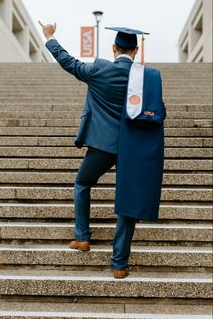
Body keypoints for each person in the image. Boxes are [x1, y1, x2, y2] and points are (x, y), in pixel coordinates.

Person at [39, 21, 165, 279]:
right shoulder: (147, 77)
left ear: (113, 48)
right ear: (135, 52)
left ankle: (83, 237)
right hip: (135, 148)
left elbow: (68, 62)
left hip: (102, 145)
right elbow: (160, 112)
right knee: (128, 204)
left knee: (82, 184)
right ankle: (119, 264)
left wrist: (50, 37)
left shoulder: (99, 70)